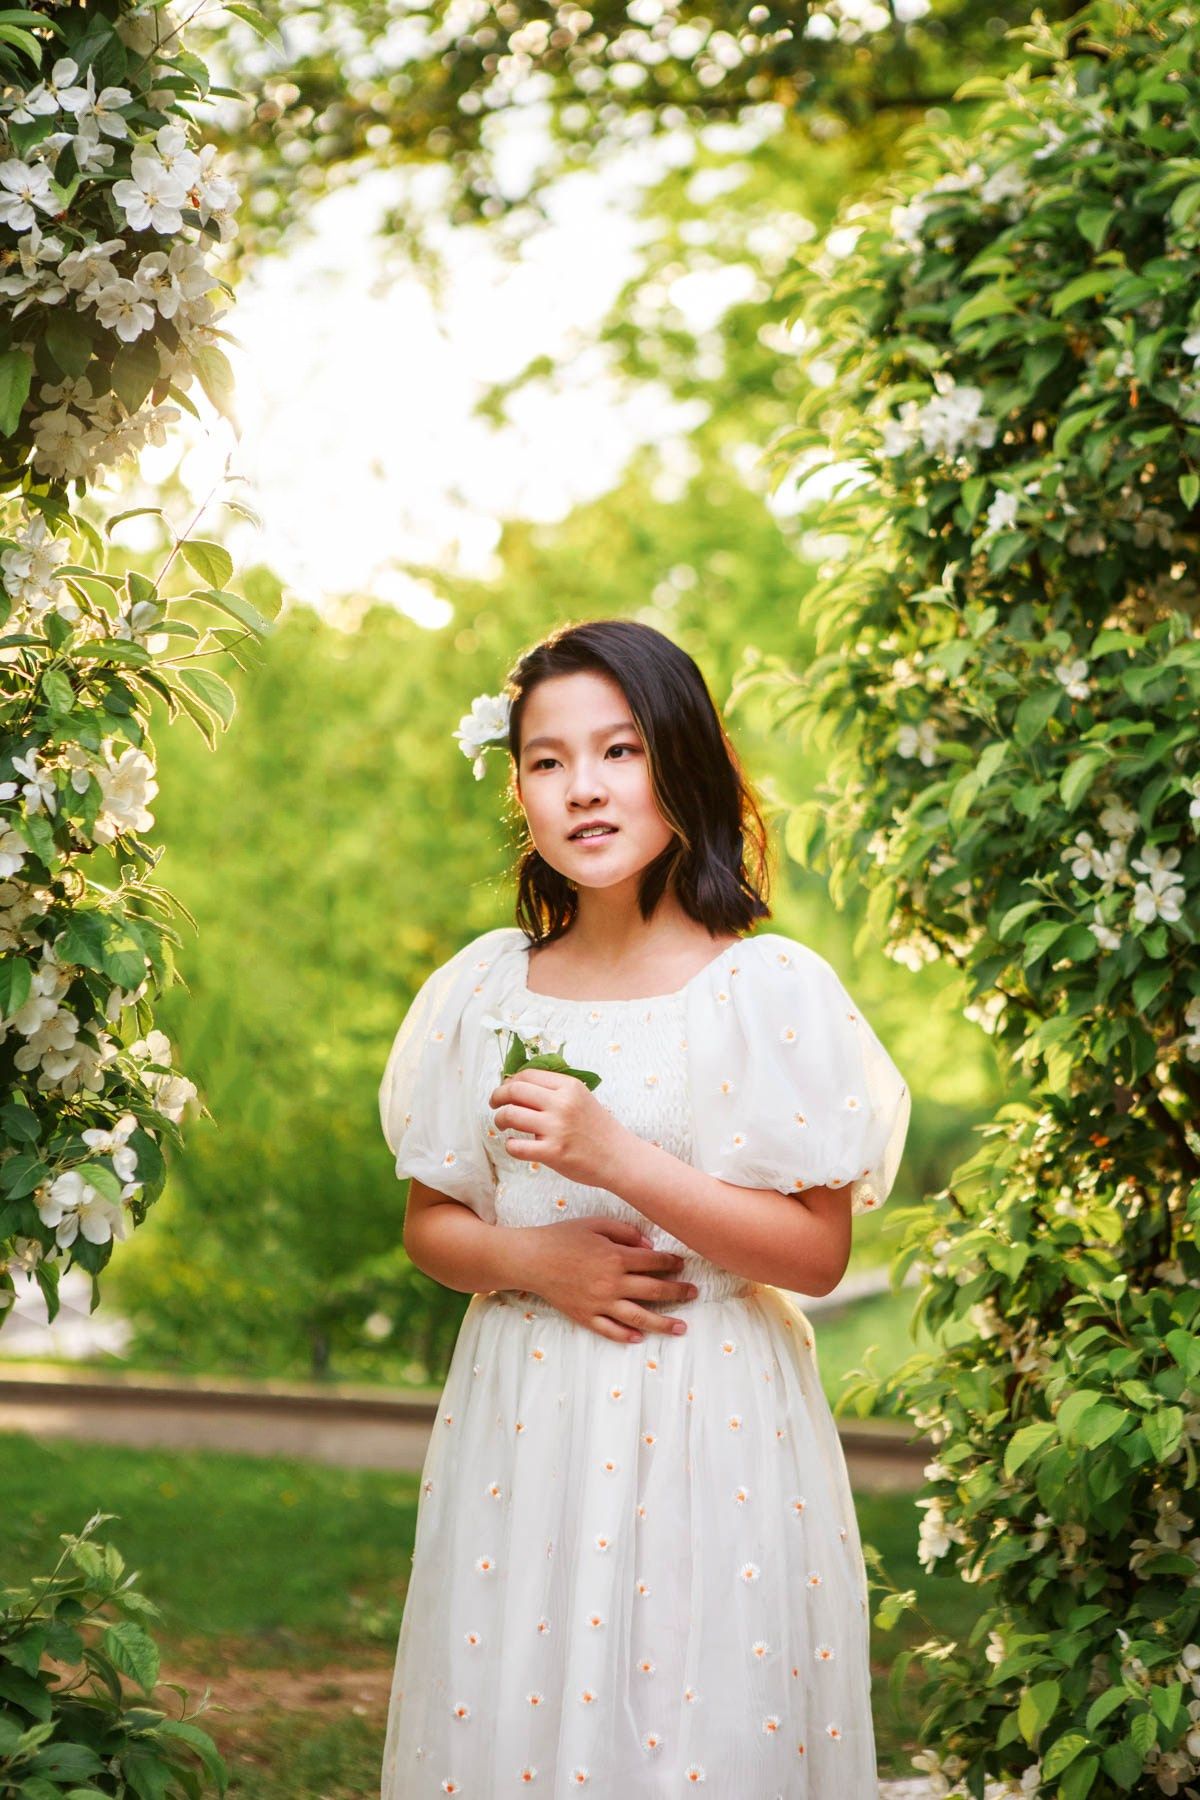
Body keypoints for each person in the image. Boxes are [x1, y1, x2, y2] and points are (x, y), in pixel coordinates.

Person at [378, 618, 910, 1796]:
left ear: (681, 761)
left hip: (708, 1414)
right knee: (516, 1715)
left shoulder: (763, 987)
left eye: (619, 751)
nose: (585, 789)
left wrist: (618, 1156)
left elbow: (818, 1253)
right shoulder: (482, 986)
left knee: (695, 1730)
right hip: (527, 1423)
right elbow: (431, 1223)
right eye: (549, 761)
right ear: (518, 786)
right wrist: (534, 1261)